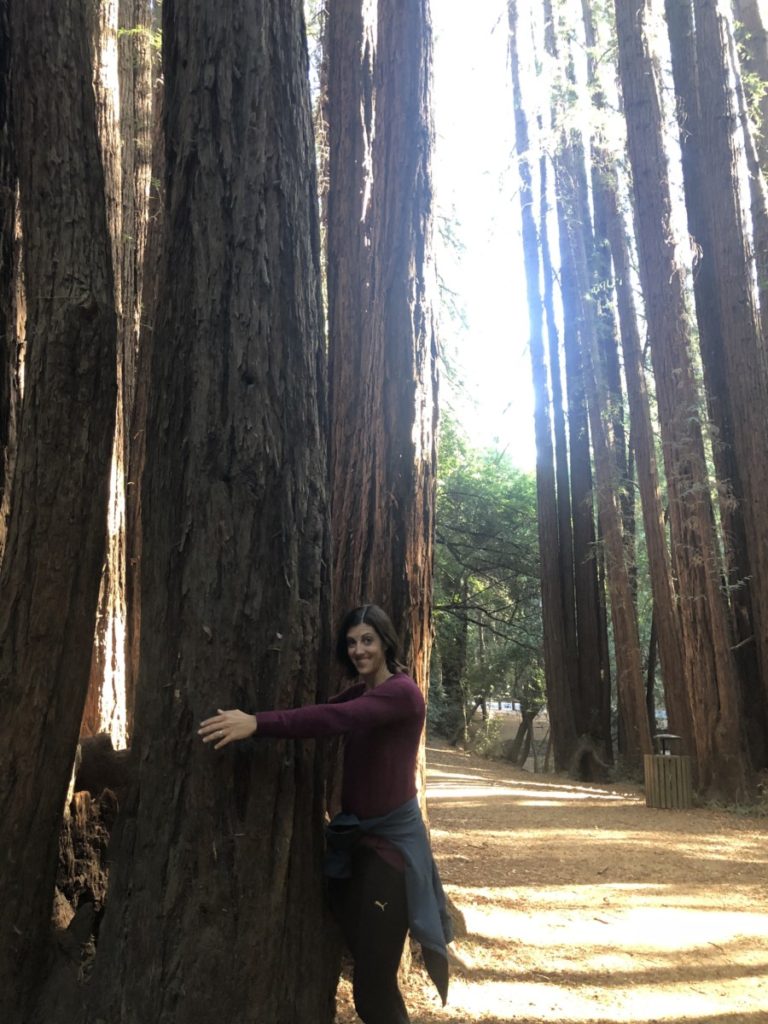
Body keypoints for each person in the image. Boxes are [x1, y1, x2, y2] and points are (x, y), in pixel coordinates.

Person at [198, 604, 452, 1024]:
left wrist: (256, 723)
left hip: (391, 858)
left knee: (373, 988)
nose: (358, 650)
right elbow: (323, 713)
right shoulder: (364, 692)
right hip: (359, 850)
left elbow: (332, 718)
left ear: (386, 641)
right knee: (369, 980)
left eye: (367, 640)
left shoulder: (402, 693)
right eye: (351, 642)